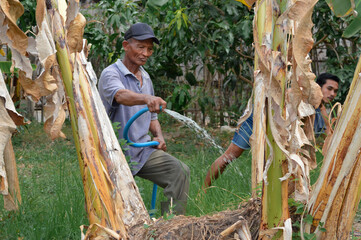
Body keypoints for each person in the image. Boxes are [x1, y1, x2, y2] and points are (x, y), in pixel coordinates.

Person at [98, 23, 190, 215]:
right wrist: (147, 98)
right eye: (141, 47)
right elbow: (121, 96)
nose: (146, 53)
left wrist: (159, 136)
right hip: (115, 153)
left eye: (149, 49)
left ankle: (172, 226)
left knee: (179, 171)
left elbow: (152, 117)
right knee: (121, 207)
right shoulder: (111, 74)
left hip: (142, 151)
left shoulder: (146, 78)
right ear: (125, 45)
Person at [202, 73, 340, 191]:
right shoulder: (298, 94)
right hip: (257, 118)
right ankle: (202, 193)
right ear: (318, 86)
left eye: (335, 91)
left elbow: (329, 132)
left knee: (277, 165)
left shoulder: (319, 106)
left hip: (278, 132)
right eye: (329, 89)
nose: (332, 94)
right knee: (230, 155)